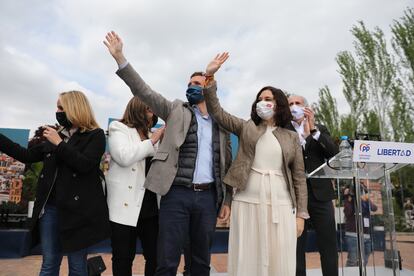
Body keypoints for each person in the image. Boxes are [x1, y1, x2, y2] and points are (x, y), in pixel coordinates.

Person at [103, 31, 233, 276]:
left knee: (201, 262)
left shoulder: (221, 122)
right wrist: (121, 58)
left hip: (207, 198)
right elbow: (144, 91)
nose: (191, 87)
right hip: (176, 195)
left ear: (208, 87)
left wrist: (226, 200)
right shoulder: (175, 110)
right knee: (167, 261)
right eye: (190, 83)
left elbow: (226, 163)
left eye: (197, 83)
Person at [202, 58, 309, 276]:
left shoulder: (291, 137)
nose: (263, 102)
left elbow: (299, 177)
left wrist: (301, 215)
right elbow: (217, 112)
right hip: (246, 202)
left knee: (279, 259)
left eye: (268, 99)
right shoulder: (246, 127)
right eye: (260, 99)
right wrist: (210, 78)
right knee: (248, 258)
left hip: (280, 204)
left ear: (278, 103)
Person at [0, 91, 110, 276]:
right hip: (50, 209)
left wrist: (60, 144)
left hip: (78, 212)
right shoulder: (55, 134)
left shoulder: (95, 135)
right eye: (57, 107)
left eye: (61, 107)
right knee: (49, 263)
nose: (57, 111)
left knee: (77, 266)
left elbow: (85, 165)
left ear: (74, 108)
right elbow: (26, 155)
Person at [106, 96, 165, 276]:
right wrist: (152, 141)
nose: (152, 113)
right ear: (138, 108)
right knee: (123, 258)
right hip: (124, 207)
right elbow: (123, 157)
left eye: (153, 109)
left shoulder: (151, 135)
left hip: (150, 207)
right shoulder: (118, 128)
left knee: (156, 257)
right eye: (149, 108)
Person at [287, 95, 339, 276]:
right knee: (296, 246)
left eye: (297, 103)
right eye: (290, 104)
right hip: (294, 197)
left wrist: (314, 131)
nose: (294, 106)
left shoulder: (320, 129)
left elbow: (333, 154)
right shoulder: (283, 130)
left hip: (321, 196)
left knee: (328, 244)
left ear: (306, 107)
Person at [343, 183, 378, 267]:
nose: (360, 193)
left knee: (365, 258)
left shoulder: (365, 201)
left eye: (361, 191)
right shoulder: (350, 201)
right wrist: (348, 198)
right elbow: (348, 213)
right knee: (353, 260)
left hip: (366, 235)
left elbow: (374, 208)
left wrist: (367, 199)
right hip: (353, 235)